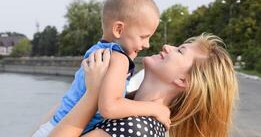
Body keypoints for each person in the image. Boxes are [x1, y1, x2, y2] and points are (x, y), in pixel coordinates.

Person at [32, 0, 171, 137]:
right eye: (144, 36)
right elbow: (110, 107)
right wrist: (155, 108)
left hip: (53, 126)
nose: (147, 44)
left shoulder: (97, 51)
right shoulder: (119, 59)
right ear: (118, 29)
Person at [49, 33, 238, 137]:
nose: (167, 47)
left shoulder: (136, 129)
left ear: (183, 80)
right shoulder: (133, 112)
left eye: (180, 51)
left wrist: (93, 93)